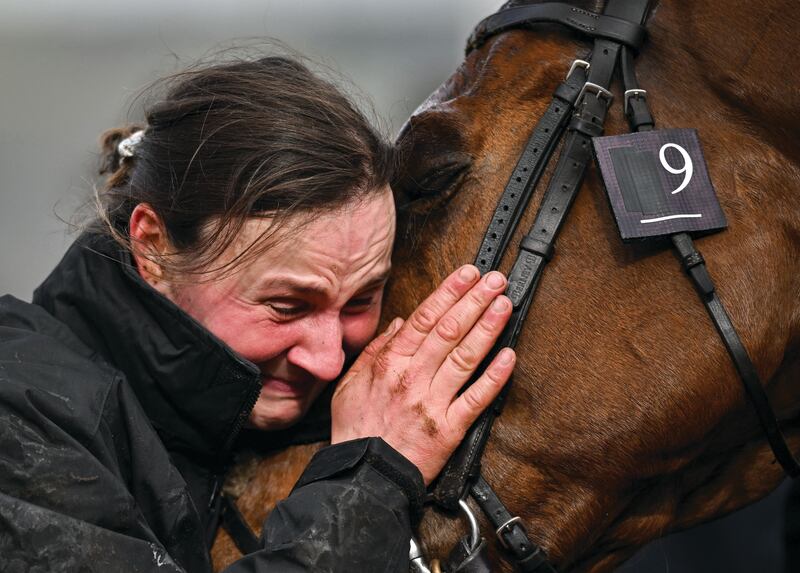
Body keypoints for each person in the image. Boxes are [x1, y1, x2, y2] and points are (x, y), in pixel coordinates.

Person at [0, 54, 514, 572]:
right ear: (153, 247)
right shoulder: (20, 417)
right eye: (287, 305)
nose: (328, 360)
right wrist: (372, 479)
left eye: (361, 300)